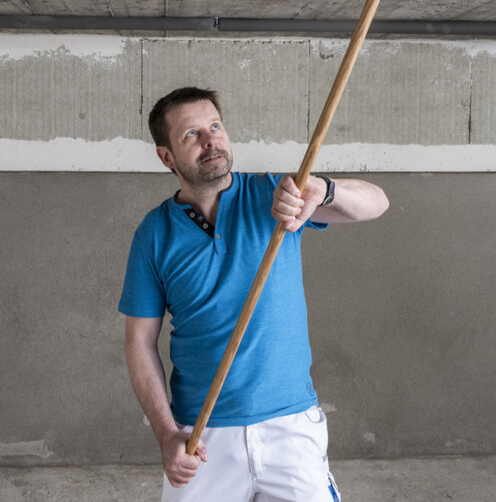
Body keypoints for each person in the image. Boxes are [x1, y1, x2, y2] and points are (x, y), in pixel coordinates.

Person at [118, 86, 389, 502]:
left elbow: (378, 203)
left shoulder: (275, 195)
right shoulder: (154, 234)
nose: (211, 141)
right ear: (166, 157)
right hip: (201, 437)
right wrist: (167, 433)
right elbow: (139, 342)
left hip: (290, 426)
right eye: (191, 135)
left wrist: (323, 191)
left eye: (215, 127)